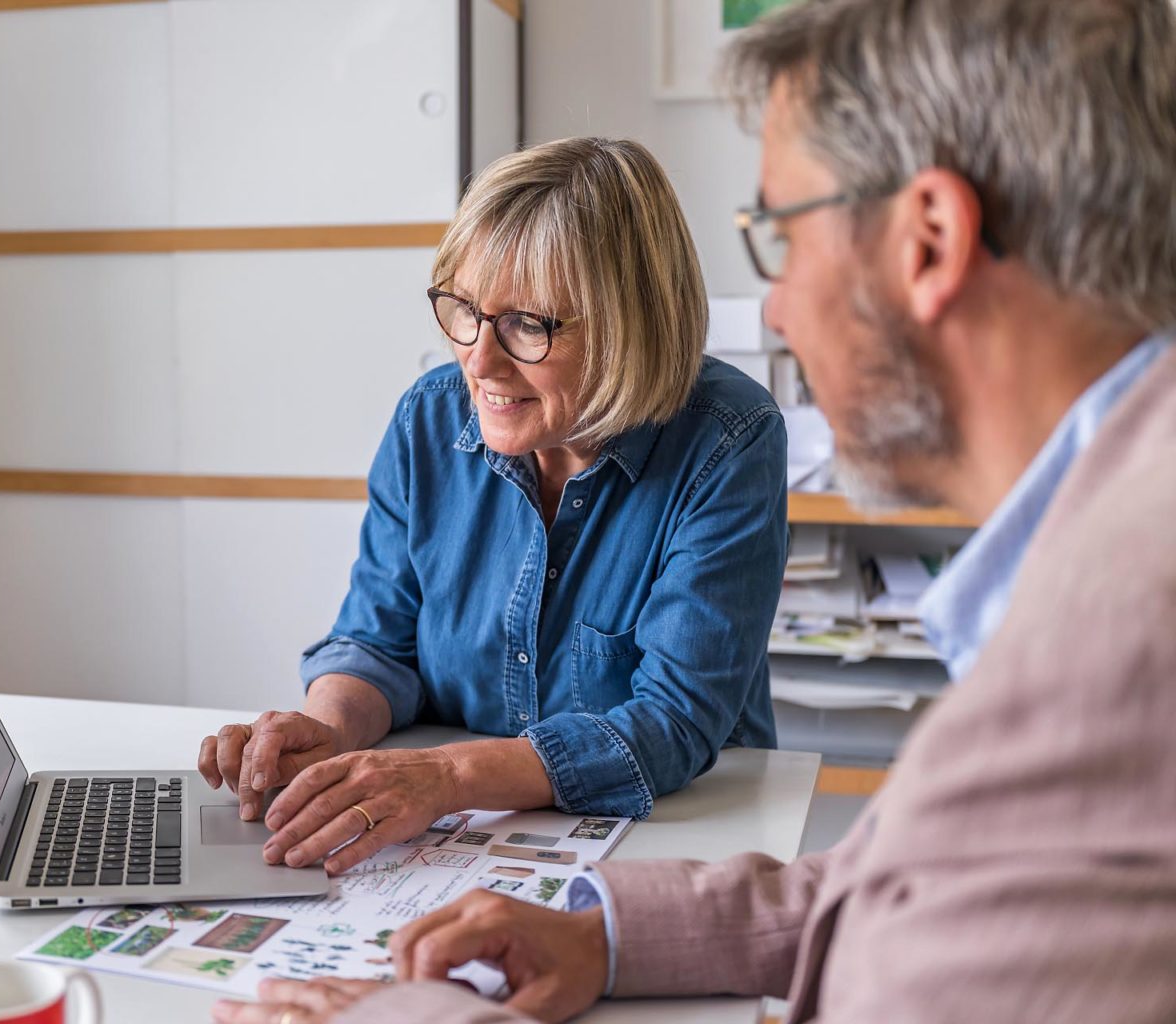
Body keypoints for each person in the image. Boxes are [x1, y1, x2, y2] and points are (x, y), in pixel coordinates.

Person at [214, 0, 1176, 1022]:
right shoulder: (1093, 555)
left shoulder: (1127, 629)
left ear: (929, 240)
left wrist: (413, 1014)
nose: (777, 308)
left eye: (781, 238)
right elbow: (898, 892)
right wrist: (609, 939)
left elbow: (909, 952)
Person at [197, 137, 789, 876]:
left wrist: (445, 777)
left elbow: (673, 721)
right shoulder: (428, 420)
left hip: (682, 837)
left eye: (527, 326)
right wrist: (326, 728)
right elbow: (379, 644)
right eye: (465, 311)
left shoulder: (727, 439)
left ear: (629, 326)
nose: (478, 359)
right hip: (467, 843)